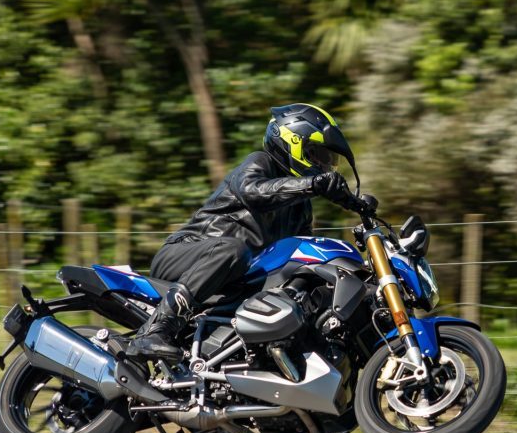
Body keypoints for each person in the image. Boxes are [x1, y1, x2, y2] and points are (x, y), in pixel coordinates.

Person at [127, 103, 360, 360]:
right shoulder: (260, 162)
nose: (324, 165)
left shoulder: (301, 209)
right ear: (292, 141)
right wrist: (312, 183)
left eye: (328, 160)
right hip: (188, 254)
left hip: (232, 278)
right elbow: (254, 192)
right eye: (318, 155)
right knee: (234, 249)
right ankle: (156, 330)